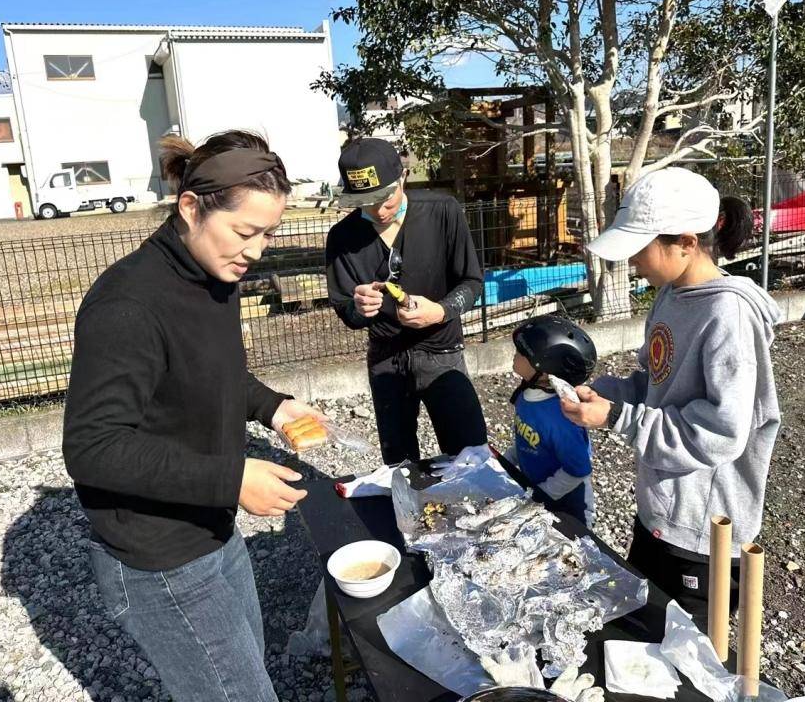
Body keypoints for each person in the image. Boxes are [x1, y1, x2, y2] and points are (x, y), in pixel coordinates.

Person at [62, 130, 323, 702]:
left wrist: (273, 407)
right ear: (190, 207)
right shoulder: (128, 305)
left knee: (244, 677)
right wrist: (232, 478)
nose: (255, 251)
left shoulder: (213, 275)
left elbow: (214, 373)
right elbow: (92, 446)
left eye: (268, 234)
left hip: (210, 523)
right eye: (245, 231)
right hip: (158, 555)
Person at [560, 166, 781, 627]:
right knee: (642, 637)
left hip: (704, 533)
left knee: (689, 659)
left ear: (686, 242)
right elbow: (655, 385)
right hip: (659, 509)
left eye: (640, 248)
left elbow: (720, 432)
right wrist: (604, 394)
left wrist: (619, 418)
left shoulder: (728, 316)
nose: (631, 261)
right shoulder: (669, 295)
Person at [325, 137, 488, 464]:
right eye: (366, 202)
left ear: (402, 178)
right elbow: (345, 307)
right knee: (399, 462)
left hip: (441, 350)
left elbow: (471, 281)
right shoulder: (342, 237)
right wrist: (358, 308)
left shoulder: (442, 211)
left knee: (470, 454)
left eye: (386, 198)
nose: (378, 210)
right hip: (386, 358)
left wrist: (441, 311)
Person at [503, 314, 598, 528]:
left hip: (567, 507)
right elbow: (527, 437)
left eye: (521, 352)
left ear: (544, 370)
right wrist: (508, 460)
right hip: (537, 490)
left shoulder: (561, 416)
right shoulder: (526, 394)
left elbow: (578, 469)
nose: (514, 355)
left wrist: (540, 496)